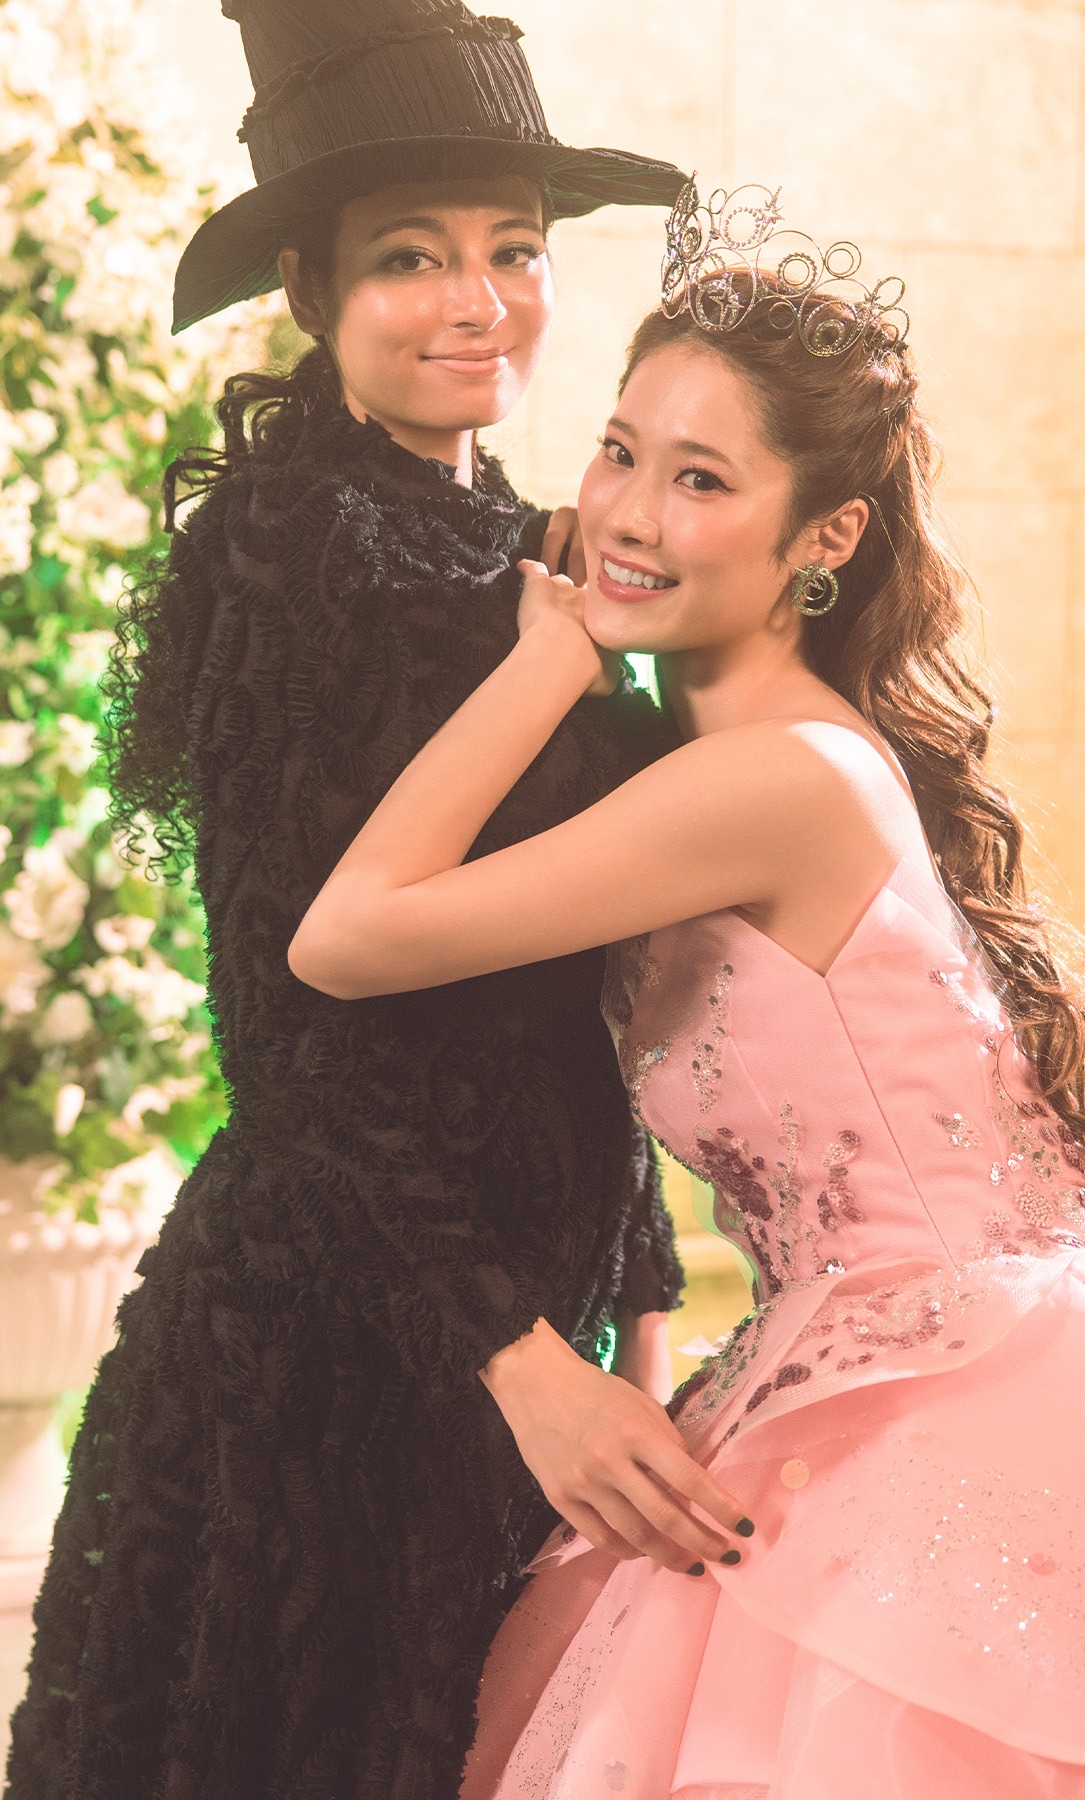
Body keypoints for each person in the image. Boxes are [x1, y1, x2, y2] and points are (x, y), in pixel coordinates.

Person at [286, 183, 1085, 1800]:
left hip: (962, 1392)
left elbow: (343, 937)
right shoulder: (710, 755)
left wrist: (546, 656)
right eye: (618, 451)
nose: (628, 517)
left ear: (824, 537)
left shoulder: (773, 780)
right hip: (832, 1362)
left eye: (701, 479)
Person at [5, 6, 690, 1799]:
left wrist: (640, 1299)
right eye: (411, 259)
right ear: (309, 292)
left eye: (514, 251)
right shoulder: (296, 545)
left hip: (521, 1325)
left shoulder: (508, 535)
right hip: (339, 1355)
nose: (480, 304)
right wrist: (522, 1360)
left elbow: (578, 995)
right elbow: (287, 1034)